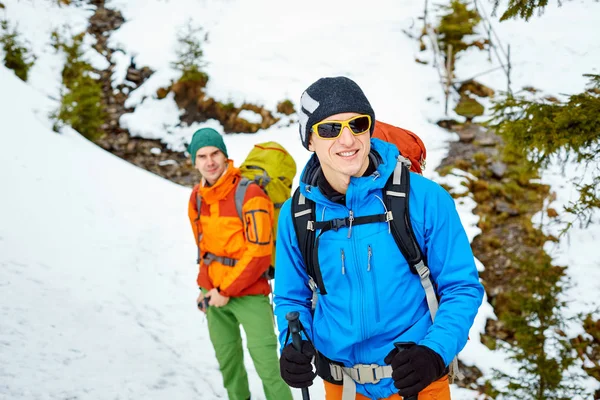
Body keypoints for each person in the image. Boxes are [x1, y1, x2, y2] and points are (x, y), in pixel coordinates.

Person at [273, 77, 484, 400]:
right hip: (341, 387)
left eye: (358, 125)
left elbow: (461, 286)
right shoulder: (296, 214)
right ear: (310, 140)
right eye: (330, 129)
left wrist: (434, 352)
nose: (348, 140)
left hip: (417, 383)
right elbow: (291, 299)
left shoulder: (424, 199)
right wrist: (293, 345)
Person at [186, 127, 293, 400]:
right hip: (215, 296)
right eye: (202, 156)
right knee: (229, 365)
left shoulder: (250, 193)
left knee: (269, 369)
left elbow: (258, 253)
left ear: (225, 155)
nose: (209, 162)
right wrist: (205, 288)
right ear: (194, 161)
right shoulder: (197, 198)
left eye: (214, 153)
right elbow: (204, 248)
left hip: (249, 294)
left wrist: (225, 292)